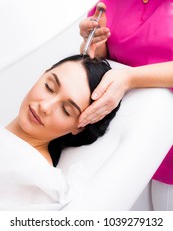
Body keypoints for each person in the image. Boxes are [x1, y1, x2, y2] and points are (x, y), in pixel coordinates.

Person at [79, 0, 173, 210]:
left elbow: (125, 74)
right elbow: (103, 56)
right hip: (123, 136)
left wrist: (130, 78)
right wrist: (95, 44)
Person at [0, 54, 120, 210]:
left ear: (79, 127)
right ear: (43, 74)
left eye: (66, 110)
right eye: (49, 87)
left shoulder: (39, 181)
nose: (45, 107)